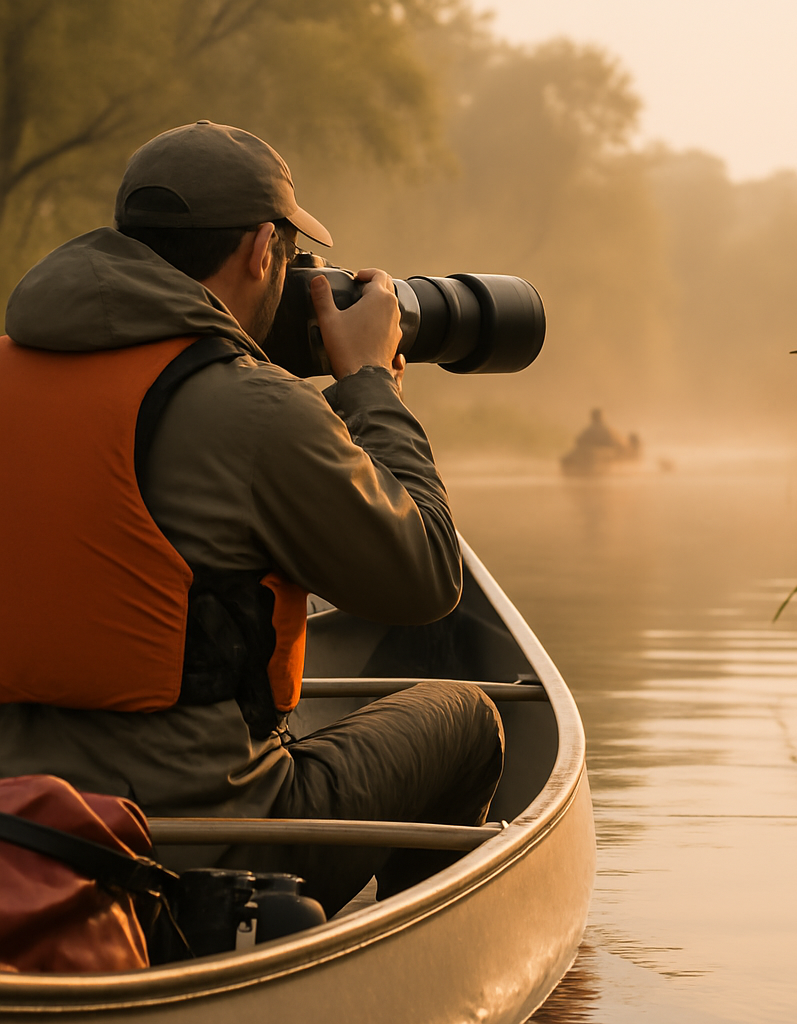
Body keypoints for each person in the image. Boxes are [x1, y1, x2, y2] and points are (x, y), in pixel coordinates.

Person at [0, 121, 504, 915]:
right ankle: (391, 955)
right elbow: (427, 577)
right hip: (193, 846)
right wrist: (370, 382)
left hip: (18, 825)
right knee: (466, 715)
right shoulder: (253, 407)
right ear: (261, 249)